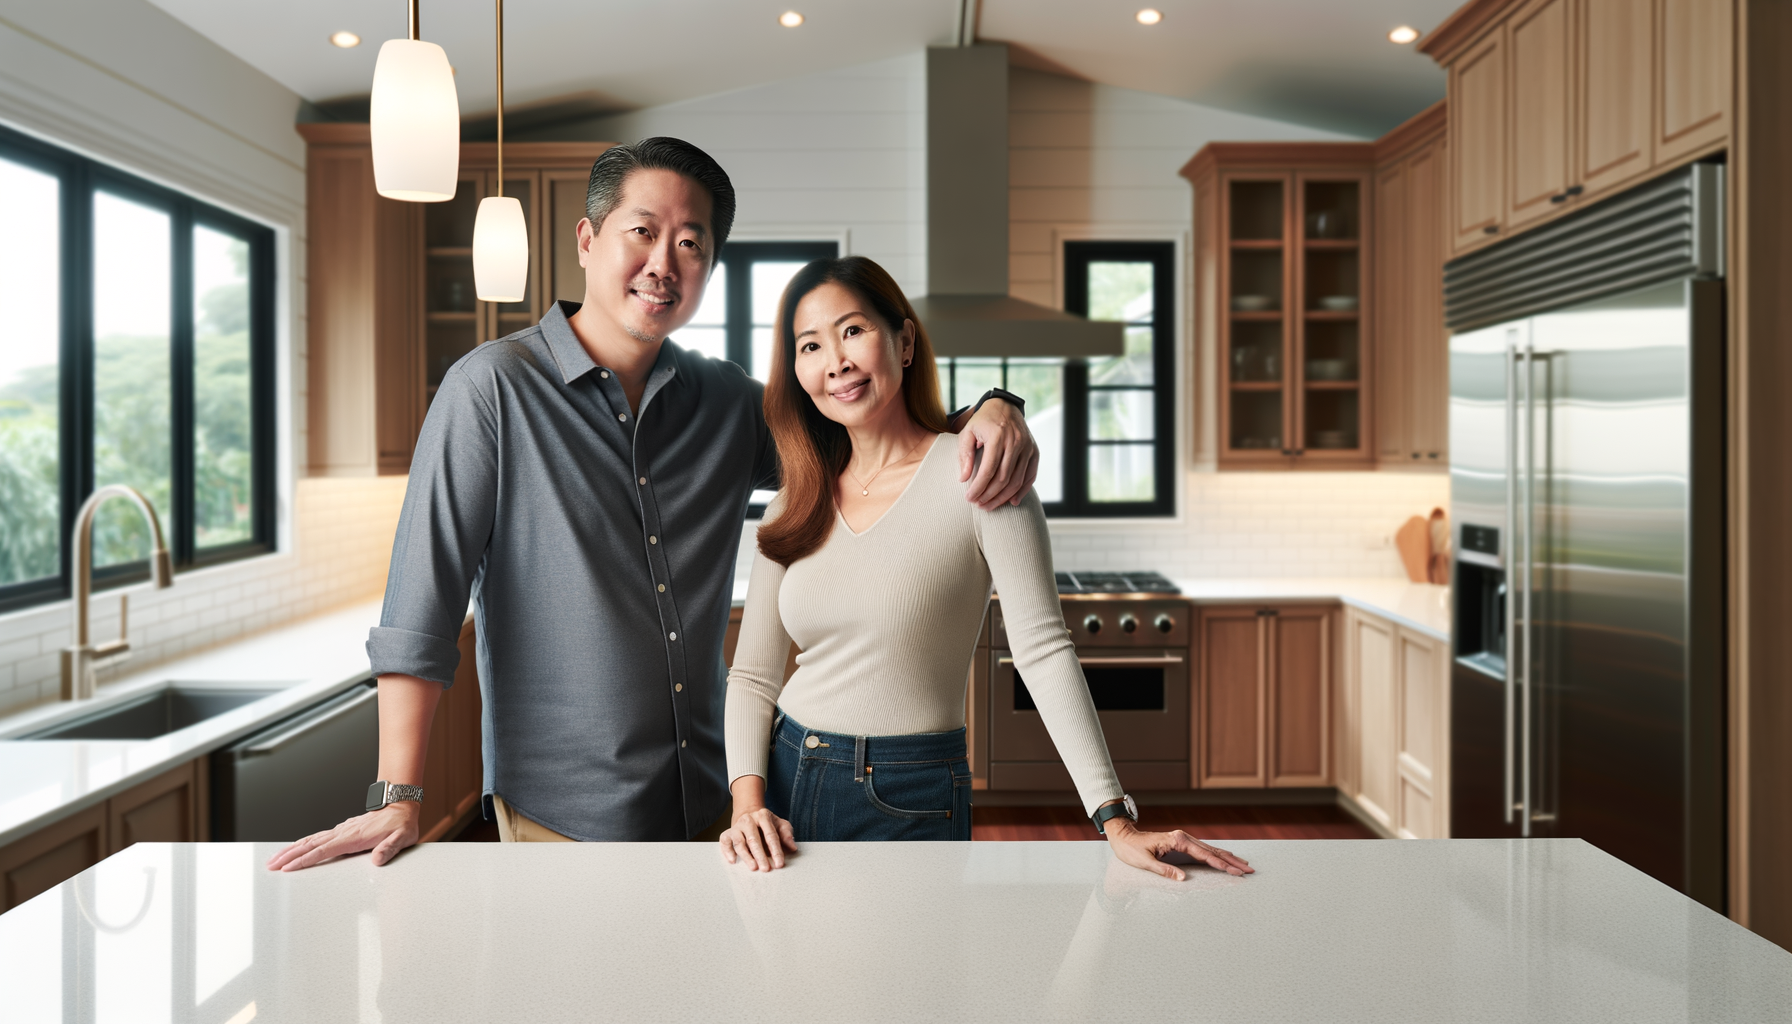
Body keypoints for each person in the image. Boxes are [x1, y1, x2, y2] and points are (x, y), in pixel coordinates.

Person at [267, 139, 1038, 870]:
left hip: (720, 802)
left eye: (692, 244)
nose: (663, 264)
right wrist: (398, 796)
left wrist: (993, 408)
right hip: (563, 815)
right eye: (643, 231)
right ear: (588, 240)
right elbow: (421, 607)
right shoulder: (491, 391)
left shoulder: (728, 401)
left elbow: (866, 435)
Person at [719, 257, 1253, 880]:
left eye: (853, 331)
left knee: (915, 977)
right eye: (810, 345)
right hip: (784, 781)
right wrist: (747, 804)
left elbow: (1044, 650)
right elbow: (754, 675)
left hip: (906, 792)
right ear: (796, 371)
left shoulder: (981, 473)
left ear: (906, 340)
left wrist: (1117, 819)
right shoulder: (795, 497)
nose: (835, 360)